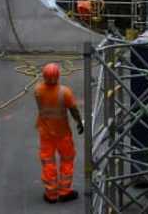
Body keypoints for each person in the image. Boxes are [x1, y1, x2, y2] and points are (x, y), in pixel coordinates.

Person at [35, 62, 83, 204]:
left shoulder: (38, 90)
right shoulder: (65, 92)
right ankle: (64, 192)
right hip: (62, 133)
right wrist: (79, 122)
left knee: (48, 162)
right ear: (58, 76)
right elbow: (74, 110)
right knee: (67, 160)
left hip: (45, 132)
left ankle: (51, 194)